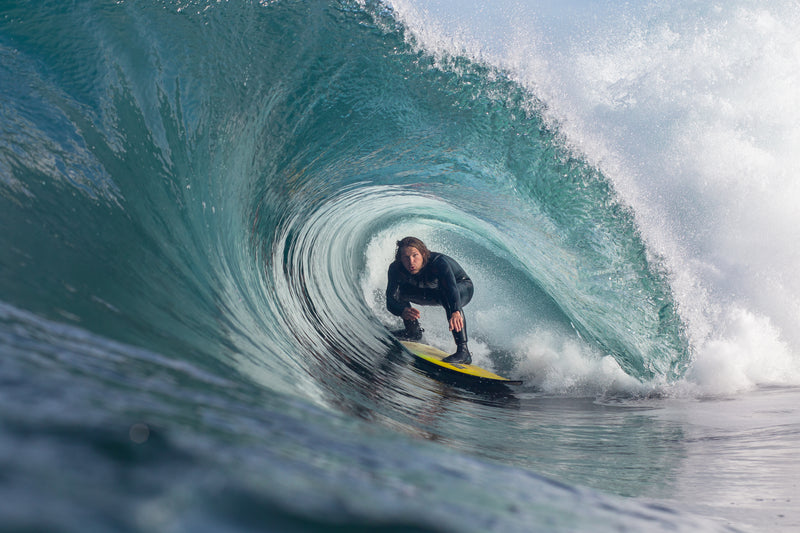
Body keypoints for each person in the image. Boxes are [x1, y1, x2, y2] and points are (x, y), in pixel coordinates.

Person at [386, 236, 474, 364]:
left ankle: (464, 351)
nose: (411, 261)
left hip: (462, 288)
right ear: (400, 258)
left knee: (446, 296)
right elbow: (390, 299)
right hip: (438, 292)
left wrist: (456, 310)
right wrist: (402, 310)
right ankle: (413, 332)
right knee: (401, 293)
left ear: (423, 254)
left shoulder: (438, 262)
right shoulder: (395, 269)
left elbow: (451, 289)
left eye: (415, 255)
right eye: (406, 257)